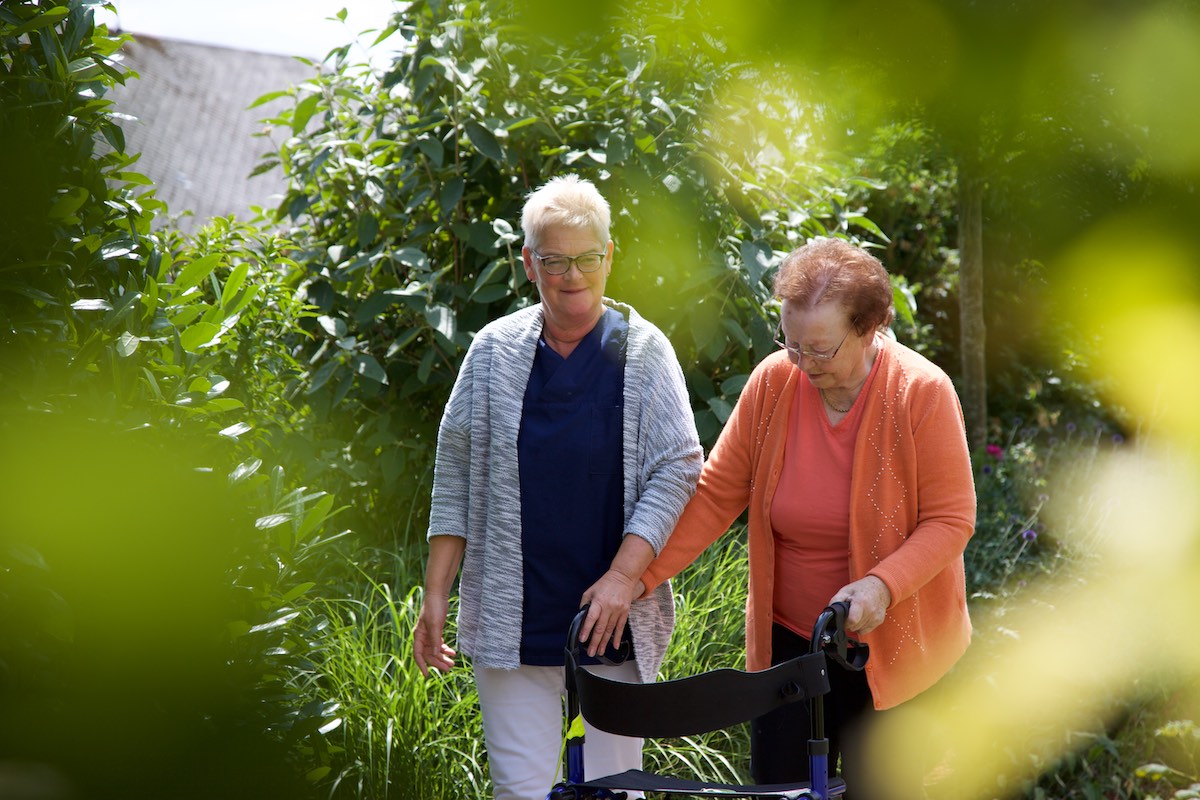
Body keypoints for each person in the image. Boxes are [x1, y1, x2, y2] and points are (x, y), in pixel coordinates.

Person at [582, 237, 976, 794]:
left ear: (868, 329)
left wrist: (881, 587)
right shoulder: (775, 382)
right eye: (791, 344)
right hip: (790, 644)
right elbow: (717, 493)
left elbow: (951, 518)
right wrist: (636, 578)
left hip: (893, 645)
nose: (802, 363)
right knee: (782, 787)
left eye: (820, 349)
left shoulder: (922, 392)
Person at [412, 174, 703, 800]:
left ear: (610, 255)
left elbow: (678, 466)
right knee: (519, 792)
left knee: (615, 790)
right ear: (528, 262)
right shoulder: (493, 353)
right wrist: (436, 592)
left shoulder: (645, 353)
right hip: (515, 620)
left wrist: (624, 578)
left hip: (614, 622)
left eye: (587, 259)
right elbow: (455, 473)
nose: (573, 276)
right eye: (554, 261)